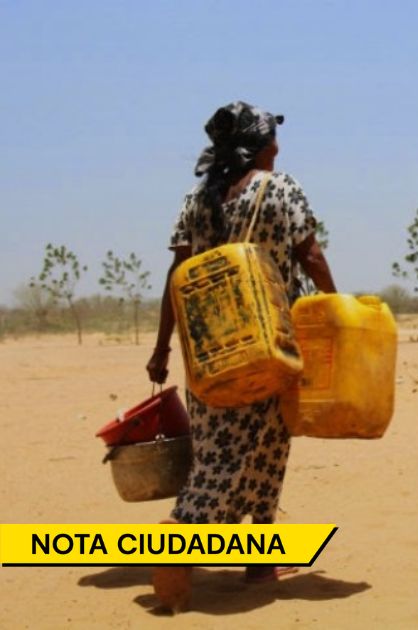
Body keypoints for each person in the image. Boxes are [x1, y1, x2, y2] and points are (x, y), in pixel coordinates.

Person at [145, 101, 336, 612]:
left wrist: (163, 346)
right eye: (273, 136)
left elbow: (175, 279)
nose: (279, 145)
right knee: (238, 458)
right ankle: (176, 541)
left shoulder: (195, 198)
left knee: (241, 450)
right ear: (259, 145)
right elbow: (311, 255)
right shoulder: (281, 189)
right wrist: (335, 314)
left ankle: (258, 559)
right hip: (269, 346)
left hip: (207, 353)